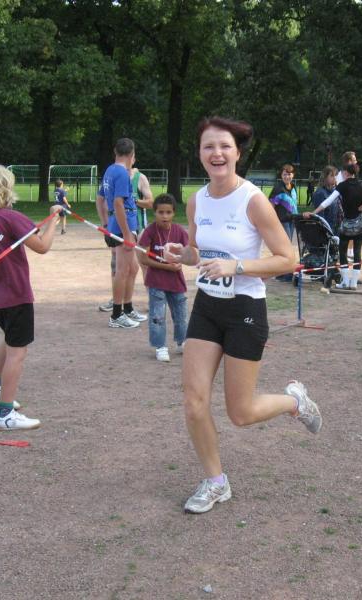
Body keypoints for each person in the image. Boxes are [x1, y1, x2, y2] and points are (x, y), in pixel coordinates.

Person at [162, 116, 322, 514]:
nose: (216, 153)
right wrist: (183, 255)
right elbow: (199, 252)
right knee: (193, 401)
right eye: (208, 146)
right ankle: (216, 482)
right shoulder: (196, 200)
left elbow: (288, 259)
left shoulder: (253, 200)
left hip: (245, 309)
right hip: (208, 306)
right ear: (199, 154)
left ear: (237, 153)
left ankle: (294, 402)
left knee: (241, 412)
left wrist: (238, 266)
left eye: (224, 146)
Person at [0, 163, 62, 430]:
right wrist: (54, 218)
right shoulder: (10, 217)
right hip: (17, 296)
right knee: (18, 352)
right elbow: (42, 246)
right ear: (4, 188)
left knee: (10, 339)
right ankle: (4, 413)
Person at [304, 162, 362, 290]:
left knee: (342, 253)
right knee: (357, 253)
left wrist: (313, 213)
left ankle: (345, 282)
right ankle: (354, 283)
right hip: (360, 224)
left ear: (346, 173)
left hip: (346, 225)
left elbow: (328, 201)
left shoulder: (342, 186)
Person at [95, 138, 147, 328]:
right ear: (132, 155)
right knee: (123, 270)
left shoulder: (110, 170)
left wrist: (105, 223)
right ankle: (116, 315)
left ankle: (128, 308)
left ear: (115, 152)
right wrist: (126, 233)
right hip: (123, 227)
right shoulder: (123, 174)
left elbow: (99, 199)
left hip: (118, 225)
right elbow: (118, 203)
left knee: (132, 268)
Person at [137, 193, 188, 362]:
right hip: (156, 282)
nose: (164, 216)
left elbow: (188, 254)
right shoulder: (150, 231)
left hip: (176, 282)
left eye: (168, 212)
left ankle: (182, 342)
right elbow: (143, 258)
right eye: (160, 212)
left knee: (181, 315)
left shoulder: (179, 231)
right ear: (155, 212)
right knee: (157, 316)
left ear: (174, 213)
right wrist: (167, 266)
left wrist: (181, 260)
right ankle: (160, 346)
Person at [97, 162, 154, 314]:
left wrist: (133, 201)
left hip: (138, 228)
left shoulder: (139, 178)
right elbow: (101, 199)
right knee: (117, 265)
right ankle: (117, 300)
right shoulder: (113, 176)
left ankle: (151, 300)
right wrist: (106, 224)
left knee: (143, 264)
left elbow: (151, 202)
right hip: (118, 229)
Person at [268, 163, 300, 282]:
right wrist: (272, 221)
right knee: (286, 247)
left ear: (293, 175)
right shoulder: (278, 188)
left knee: (286, 246)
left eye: (289, 174)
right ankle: (285, 273)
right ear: (281, 175)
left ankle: (283, 272)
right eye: (285, 174)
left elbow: (294, 204)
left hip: (292, 220)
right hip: (282, 221)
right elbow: (271, 205)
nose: (287, 177)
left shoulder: (294, 187)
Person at [311, 165, 343, 231]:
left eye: (336, 175)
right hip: (327, 229)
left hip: (339, 228)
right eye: (332, 175)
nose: (335, 178)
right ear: (325, 177)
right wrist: (326, 230)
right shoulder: (320, 193)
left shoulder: (336, 192)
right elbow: (320, 216)